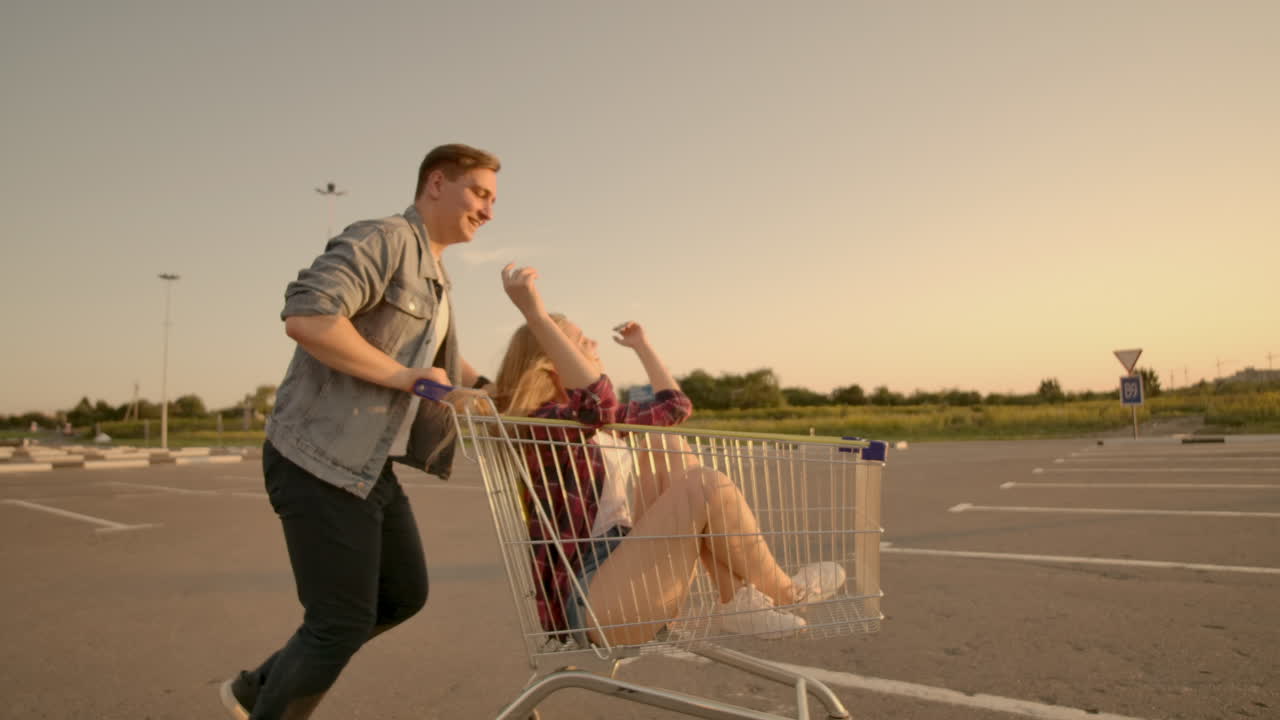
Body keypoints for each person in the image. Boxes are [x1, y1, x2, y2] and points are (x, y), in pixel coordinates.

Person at [220, 144, 499, 720]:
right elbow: (309, 316)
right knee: (340, 620)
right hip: (317, 455)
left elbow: (438, 359)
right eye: (480, 193)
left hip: (367, 466)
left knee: (403, 594)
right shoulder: (385, 238)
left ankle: (258, 688)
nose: (488, 211)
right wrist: (403, 377)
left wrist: (495, 389)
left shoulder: (435, 275)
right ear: (436, 183)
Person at [496, 265, 845, 648]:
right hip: (594, 596)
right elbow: (595, 403)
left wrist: (642, 347)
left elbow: (675, 408)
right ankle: (788, 592)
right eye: (581, 342)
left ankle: (735, 599)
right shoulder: (543, 425)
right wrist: (536, 315)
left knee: (669, 445)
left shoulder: (599, 424)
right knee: (704, 486)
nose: (594, 344)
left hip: (627, 564)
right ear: (552, 363)